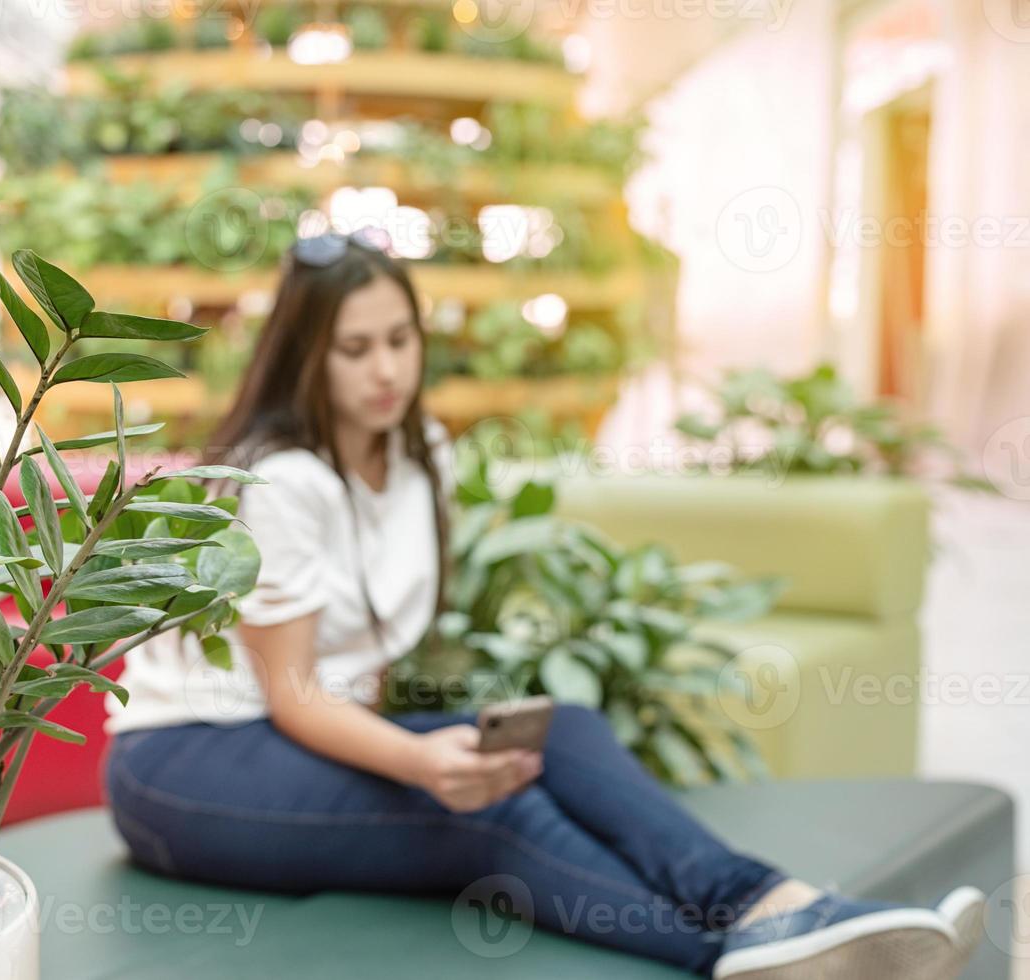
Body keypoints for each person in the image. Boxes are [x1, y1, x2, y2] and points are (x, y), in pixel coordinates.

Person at [99, 229, 986, 979]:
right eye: (354, 348)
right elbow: (294, 696)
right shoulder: (282, 479)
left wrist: (440, 747)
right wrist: (420, 768)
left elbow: (360, 675)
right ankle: (743, 954)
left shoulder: (419, 459)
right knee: (485, 808)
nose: (386, 370)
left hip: (297, 737)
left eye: (400, 339)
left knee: (559, 730)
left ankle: (774, 903)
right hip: (183, 765)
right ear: (306, 355)